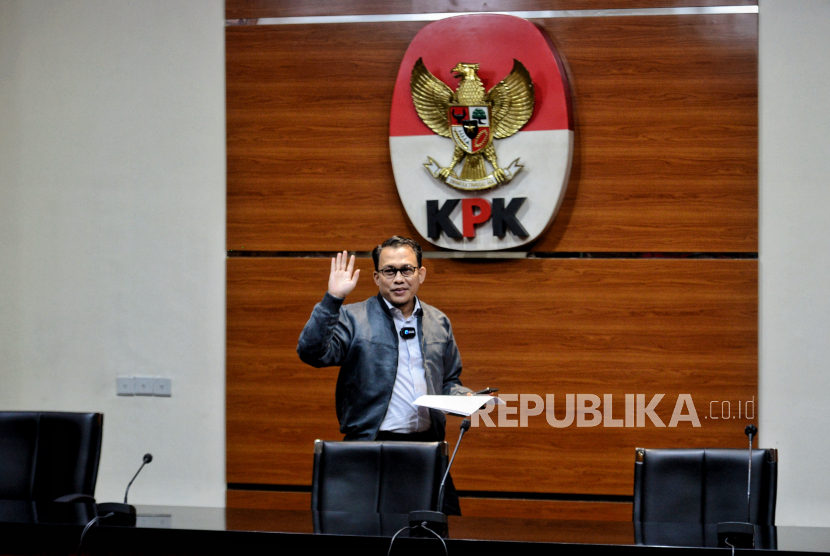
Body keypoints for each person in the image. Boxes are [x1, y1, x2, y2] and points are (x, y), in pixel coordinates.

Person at [297, 235, 472, 515]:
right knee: (370, 539)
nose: (399, 278)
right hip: (370, 448)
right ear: (377, 277)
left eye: (407, 270)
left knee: (439, 534)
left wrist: (466, 398)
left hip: (427, 451)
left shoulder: (439, 321)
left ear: (421, 274)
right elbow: (311, 353)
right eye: (390, 271)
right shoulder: (353, 318)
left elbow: (450, 380)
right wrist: (333, 299)